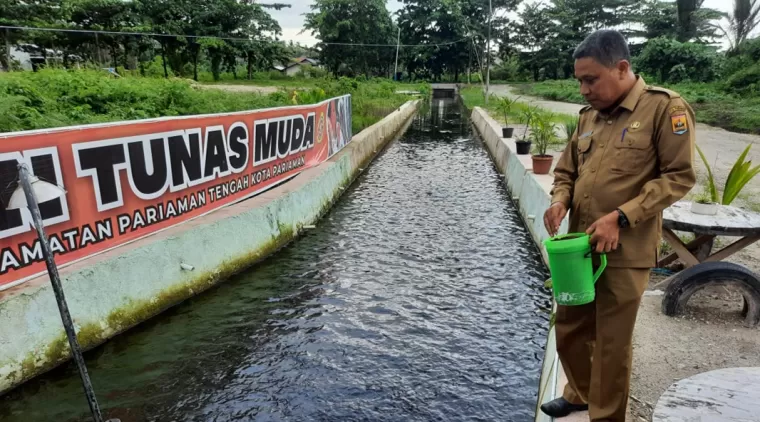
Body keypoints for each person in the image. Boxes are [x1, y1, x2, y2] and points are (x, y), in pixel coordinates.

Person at [541, 29, 696, 421]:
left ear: (622, 67)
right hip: (578, 247)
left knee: (612, 341)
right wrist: (560, 198)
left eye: (590, 79)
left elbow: (678, 177)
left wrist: (621, 216)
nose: (583, 89)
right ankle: (578, 394)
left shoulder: (664, 108)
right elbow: (566, 170)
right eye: (579, 80)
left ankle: (606, 416)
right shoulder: (588, 118)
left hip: (625, 251)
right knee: (571, 327)